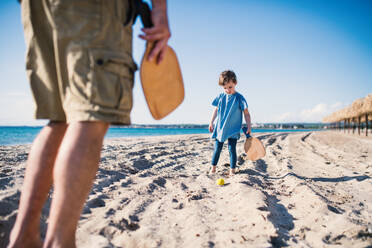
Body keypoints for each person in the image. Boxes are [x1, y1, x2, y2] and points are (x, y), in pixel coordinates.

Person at [8, 0, 170, 247]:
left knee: (60, 119)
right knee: (90, 118)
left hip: (36, 7)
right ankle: (60, 242)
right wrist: (160, 10)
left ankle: (24, 238)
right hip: (96, 10)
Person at [208, 70, 251, 176]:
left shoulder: (239, 98)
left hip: (233, 128)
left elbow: (246, 113)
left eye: (230, 87)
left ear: (235, 83)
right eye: (225, 88)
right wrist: (211, 122)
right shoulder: (221, 96)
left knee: (232, 149)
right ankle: (213, 168)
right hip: (220, 128)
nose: (228, 90)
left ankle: (232, 170)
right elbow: (216, 110)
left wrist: (249, 125)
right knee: (217, 148)